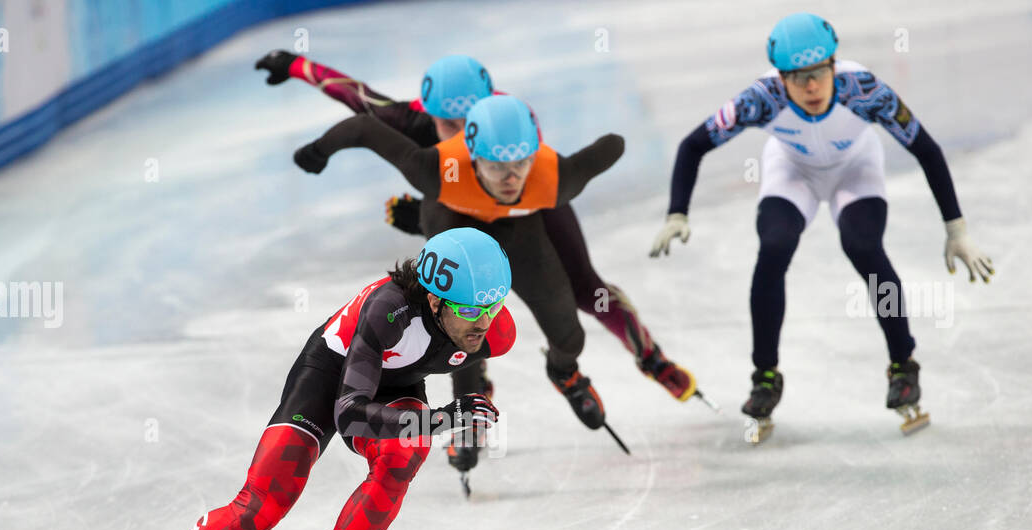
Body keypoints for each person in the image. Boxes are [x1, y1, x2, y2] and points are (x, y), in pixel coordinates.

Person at [260, 51, 698, 466]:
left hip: (525, 209)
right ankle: (473, 387)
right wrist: (298, 66)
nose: (460, 129)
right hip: (452, 203)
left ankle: (607, 363)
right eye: (449, 122)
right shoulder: (425, 139)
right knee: (459, 302)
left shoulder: (511, 134)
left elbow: (545, 171)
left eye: (470, 119)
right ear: (432, 116)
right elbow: (361, 102)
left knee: (585, 290)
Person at [98, 228, 514, 530]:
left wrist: (473, 399)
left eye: (493, 305)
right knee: (261, 506)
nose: (483, 321)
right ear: (434, 300)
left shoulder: (493, 330)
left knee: (404, 456)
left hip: (395, 388)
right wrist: (444, 417)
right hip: (330, 375)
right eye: (470, 310)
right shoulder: (387, 311)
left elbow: (471, 359)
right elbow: (350, 414)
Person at [649, 12, 994, 436]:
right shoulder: (761, 98)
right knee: (774, 246)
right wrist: (677, 212)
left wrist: (956, 229)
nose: (810, 87)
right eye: (798, 78)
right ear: (781, 78)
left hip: (856, 167)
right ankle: (765, 376)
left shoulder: (865, 90)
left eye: (818, 73)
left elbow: (927, 149)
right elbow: (693, 145)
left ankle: (903, 364)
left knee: (863, 245)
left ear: (833, 65)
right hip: (792, 171)